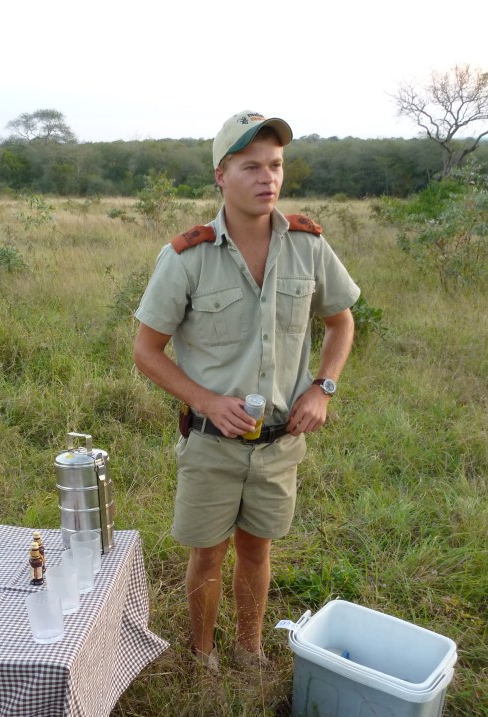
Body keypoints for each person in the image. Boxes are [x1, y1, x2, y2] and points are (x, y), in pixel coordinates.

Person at [133, 110, 360, 674]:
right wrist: (206, 401)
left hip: (280, 443)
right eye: (251, 166)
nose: (268, 178)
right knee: (207, 552)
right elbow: (146, 351)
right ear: (221, 174)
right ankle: (203, 655)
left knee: (257, 549)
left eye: (276, 165)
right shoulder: (188, 256)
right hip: (212, 442)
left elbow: (341, 321)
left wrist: (322, 389)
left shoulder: (308, 246)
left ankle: (249, 648)